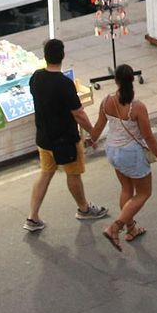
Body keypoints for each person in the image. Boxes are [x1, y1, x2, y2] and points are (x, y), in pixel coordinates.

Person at [24, 39, 109, 233]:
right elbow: (78, 113)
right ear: (62, 56)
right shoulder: (64, 83)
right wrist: (93, 132)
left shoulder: (36, 78)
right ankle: (84, 208)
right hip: (66, 141)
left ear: (45, 56)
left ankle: (32, 217)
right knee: (73, 175)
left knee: (45, 174)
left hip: (44, 140)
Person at [89, 64, 157, 250]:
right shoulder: (137, 107)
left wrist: (91, 139)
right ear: (132, 80)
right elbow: (148, 136)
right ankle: (115, 227)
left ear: (115, 81)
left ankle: (131, 229)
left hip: (113, 151)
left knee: (126, 189)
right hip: (131, 153)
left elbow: (99, 126)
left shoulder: (106, 101)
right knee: (143, 193)